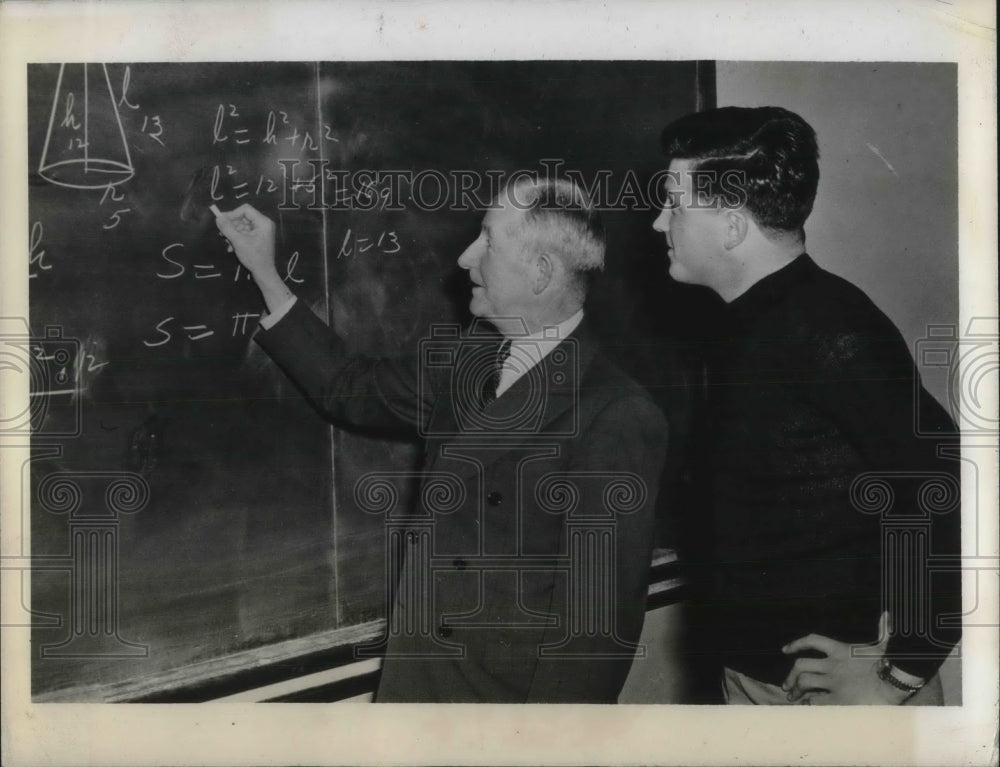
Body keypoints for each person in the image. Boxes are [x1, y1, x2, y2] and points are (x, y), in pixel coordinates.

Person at [215, 177, 668, 702]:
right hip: (416, 690)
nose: (464, 257)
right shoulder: (464, 362)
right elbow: (348, 386)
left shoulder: (615, 413)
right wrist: (266, 273)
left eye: (488, 241)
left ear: (541, 273)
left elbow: (593, 636)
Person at [653, 106, 962, 705]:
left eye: (674, 201)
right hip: (756, 680)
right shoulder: (739, 328)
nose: (659, 222)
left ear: (731, 225)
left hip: (832, 696)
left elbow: (945, 483)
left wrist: (901, 672)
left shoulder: (835, 331)